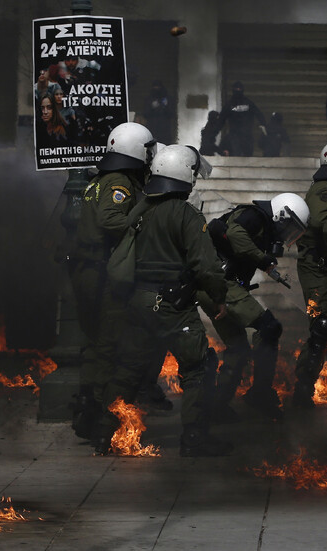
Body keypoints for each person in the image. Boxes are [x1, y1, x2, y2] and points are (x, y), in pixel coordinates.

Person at [94, 144, 233, 457]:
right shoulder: (185, 214)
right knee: (198, 368)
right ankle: (195, 439)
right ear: (185, 175)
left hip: (137, 302)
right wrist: (219, 298)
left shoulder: (141, 208)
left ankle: (103, 433)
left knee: (128, 369)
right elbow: (206, 265)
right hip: (173, 307)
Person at [68, 122, 163, 440]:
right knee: (108, 344)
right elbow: (112, 219)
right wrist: (145, 224)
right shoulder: (119, 181)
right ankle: (98, 416)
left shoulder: (102, 178)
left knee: (97, 342)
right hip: (100, 270)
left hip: (88, 268)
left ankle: (87, 411)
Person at [199, 193, 310, 421]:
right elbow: (234, 233)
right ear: (280, 215)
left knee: (238, 348)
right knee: (269, 327)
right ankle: (260, 393)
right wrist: (263, 259)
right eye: (289, 227)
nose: (288, 235)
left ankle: (217, 406)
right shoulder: (254, 217)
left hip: (219, 284)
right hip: (220, 283)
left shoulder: (262, 225)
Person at [293, 141, 327, 428]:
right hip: (317, 269)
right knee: (323, 325)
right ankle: (302, 388)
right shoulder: (324, 190)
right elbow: (326, 225)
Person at [216, 81, 266, 156]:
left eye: (239, 89)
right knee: (239, 154)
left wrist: (263, 124)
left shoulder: (232, 104)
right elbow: (221, 119)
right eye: (237, 89)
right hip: (237, 135)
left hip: (245, 134)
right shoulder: (234, 104)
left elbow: (221, 119)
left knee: (245, 155)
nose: (238, 90)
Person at [143, 80, 174, 145]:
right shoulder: (149, 99)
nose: (156, 89)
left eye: (158, 87)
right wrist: (152, 107)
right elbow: (145, 114)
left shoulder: (167, 98)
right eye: (155, 87)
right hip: (152, 127)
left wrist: (165, 107)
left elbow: (171, 114)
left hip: (165, 129)